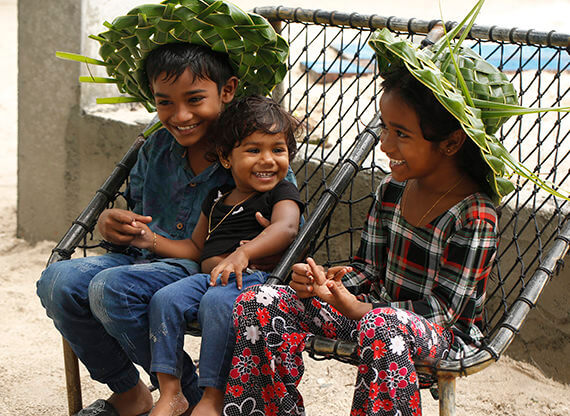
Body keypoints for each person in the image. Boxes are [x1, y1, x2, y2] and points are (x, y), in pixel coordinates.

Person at [36, 4, 291, 412]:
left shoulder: (254, 157)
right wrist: (111, 223)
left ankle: (183, 394)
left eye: (195, 99)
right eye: (165, 102)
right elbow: (132, 217)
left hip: (202, 269)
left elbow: (283, 217)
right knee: (58, 281)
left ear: (227, 91)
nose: (181, 115)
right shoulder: (155, 147)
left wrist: (255, 247)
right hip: (140, 260)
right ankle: (130, 391)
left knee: (110, 289)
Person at [222, 65, 501, 416]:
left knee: (381, 325)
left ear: (451, 142)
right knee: (260, 300)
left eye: (401, 134)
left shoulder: (474, 215)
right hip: (372, 315)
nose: (384, 144)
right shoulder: (392, 189)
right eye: (385, 127)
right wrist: (327, 284)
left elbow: (444, 311)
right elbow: (367, 269)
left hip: (440, 338)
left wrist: (363, 310)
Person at [128, 95, 303, 416]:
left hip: (254, 280)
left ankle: (213, 396)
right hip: (209, 277)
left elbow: (287, 228)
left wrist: (244, 253)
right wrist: (148, 239)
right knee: (165, 299)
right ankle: (171, 391)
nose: (268, 160)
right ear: (225, 157)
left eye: (278, 150)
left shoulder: (282, 193)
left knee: (216, 303)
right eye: (254, 150)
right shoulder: (217, 197)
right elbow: (195, 248)